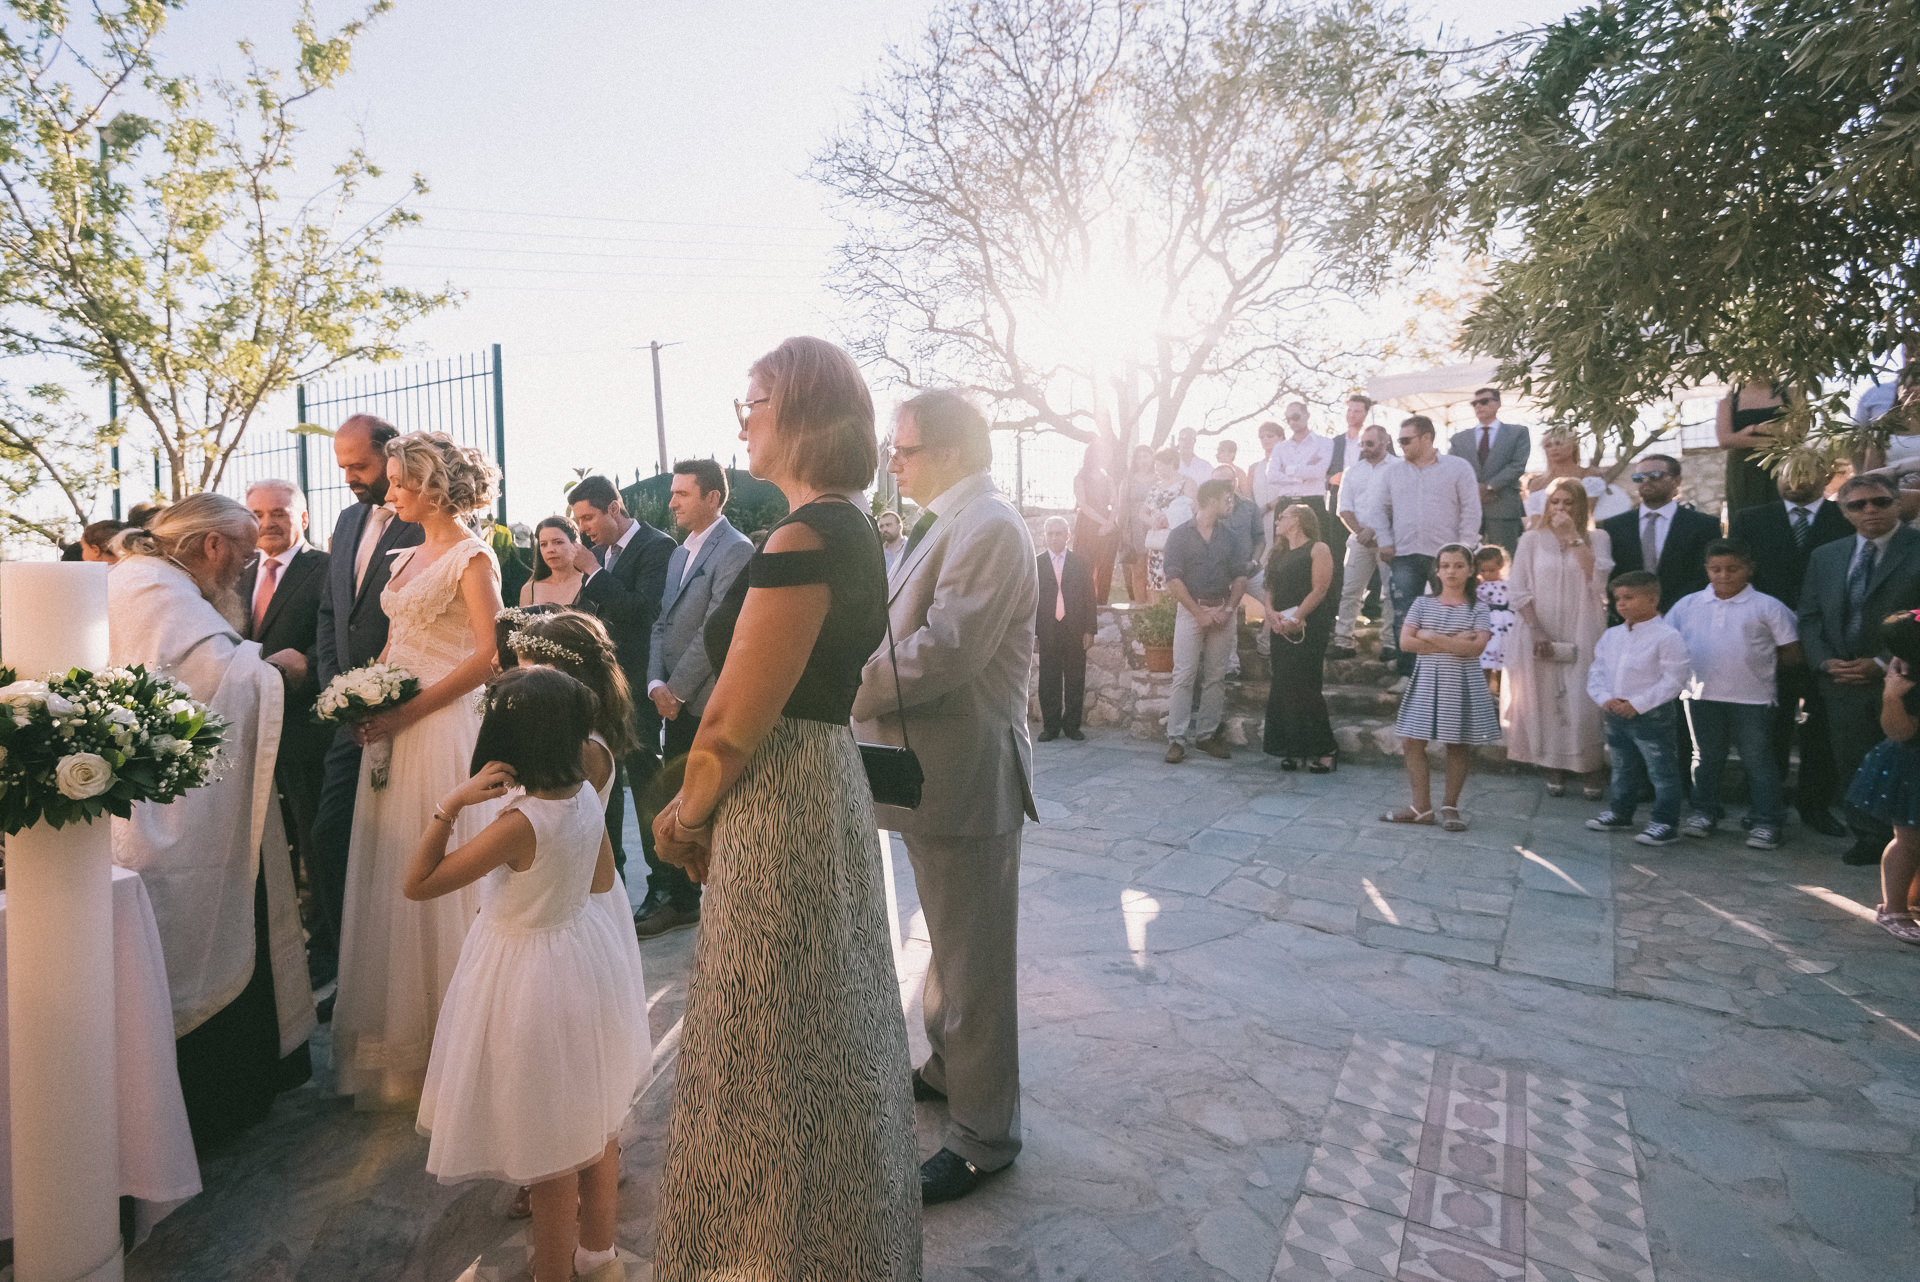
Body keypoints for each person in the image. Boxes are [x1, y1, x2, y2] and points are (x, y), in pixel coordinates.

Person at [647, 337, 917, 1275]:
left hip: (782, 795)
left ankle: (771, 1251)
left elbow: (731, 720)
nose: (741, 423)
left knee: (769, 1035)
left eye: (752, 402)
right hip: (820, 778)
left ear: (799, 411)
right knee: (822, 1027)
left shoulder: (806, 538)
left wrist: (684, 818)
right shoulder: (849, 528)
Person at [851, 384, 1036, 1212]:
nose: (893, 461)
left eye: (906, 448)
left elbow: (946, 649)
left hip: (969, 775)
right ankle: (947, 1069)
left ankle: (983, 1138)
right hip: (935, 774)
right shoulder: (947, 519)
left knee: (975, 963)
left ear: (953, 451)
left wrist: (847, 685)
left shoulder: (988, 524)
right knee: (949, 943)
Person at [407, 668, 649, 1282]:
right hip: (582, 963)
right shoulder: (585, 796)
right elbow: (601, 881)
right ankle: (598, 1256)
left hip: (527, 982)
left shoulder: (519, 825)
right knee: (595, 1126)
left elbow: (418, 884)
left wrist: (450, 805)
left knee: (549, 1157)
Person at [108, 495, 316, 1148]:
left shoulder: (145, 581)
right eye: (243, 553)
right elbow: (210, 687)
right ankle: (218, 1100)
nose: (246, 567)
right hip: (176, 811)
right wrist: (279, 671)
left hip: (172, 801)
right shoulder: (158, 593)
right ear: (212, 545)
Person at [332, 431, 506, 1106]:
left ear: (433, 488)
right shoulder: (404, 556)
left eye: (402, 483)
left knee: (441, 868)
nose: (392, 493)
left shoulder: (473, 557)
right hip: (394, 731)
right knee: (391, 867)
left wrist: (406, 712)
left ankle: (459, 1048)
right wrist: (364, 698)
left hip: (439, 730)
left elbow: (490, 655)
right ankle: (403, 1056)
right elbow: (396, 641)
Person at [309, 413, 424, 992]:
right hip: (349, 715)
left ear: (392, 453)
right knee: (329, 838)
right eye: (343, 467)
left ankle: (398, 976)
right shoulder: (347, 519)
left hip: (408, 709)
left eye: (360, 465)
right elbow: (332, 611)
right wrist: (339, 690)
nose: (350, 477)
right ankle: (347, 967)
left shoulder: (427, 519)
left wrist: (386, 693)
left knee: (400, 844)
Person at [639, 458, 755, 937]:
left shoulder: (737, 549)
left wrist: (679, 691)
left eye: (682, 493)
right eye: (673, 493)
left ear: (713, 497)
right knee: (677, 798)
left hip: (705, 701)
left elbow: (717, 628)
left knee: (708, 805)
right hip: (672, 699)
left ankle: (717, 901)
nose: (672, 502)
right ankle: (682, 899)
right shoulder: (679, 552)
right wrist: (655, 683)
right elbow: (661, 621)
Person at [1798, 473, 1920, 865]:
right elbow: (1809, 616)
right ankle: (1868, 837)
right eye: (1858, 504)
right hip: (1841, 679)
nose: (1870, 510)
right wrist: (1824, 661)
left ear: (1897, 503)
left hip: (1905, 677)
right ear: (1845, 512)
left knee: (1906, 763)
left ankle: (1907, 842)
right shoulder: (1826, 555)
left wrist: (1884, 662)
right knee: (1851, 759)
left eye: (1880, 501)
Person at [1729, 457, 1853, 835]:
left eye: (1806, 473)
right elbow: (1740, 576)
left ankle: (1815, 805)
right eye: (1787, 473)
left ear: (1826, 477)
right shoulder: (1750, 519)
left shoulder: (1845, 516)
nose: (1796, 481)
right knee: (1770, 724)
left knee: (1820, 725)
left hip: (1830, 638)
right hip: (1767, 640)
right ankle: (1765, 802)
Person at [567, 474, 676, 896]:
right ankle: (611, 887)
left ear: (614, 508)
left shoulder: (658, 547)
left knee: (648, 788)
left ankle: (666, 889)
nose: (583, 528)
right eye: (578, 520)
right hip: (602, 689)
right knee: (605, 787)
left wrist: (594, 573)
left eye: (588, 518)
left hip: (640, 688)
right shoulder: (598, 553)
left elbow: (643, 610)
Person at [241, 479, 332, 955]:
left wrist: (309, 666)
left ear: (303, 517)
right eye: (257, 513)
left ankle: (322, 941)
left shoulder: (327, 569)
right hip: (248, 730)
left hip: (305, 730)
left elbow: (339, 639)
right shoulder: (238, 572)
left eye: (279, 512)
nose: (268, 522)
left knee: (313, 838)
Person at [1666, 540, 1800, 849]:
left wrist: (1756, 668)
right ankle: (1704, 812)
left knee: (1758, 760)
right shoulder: (1688, 605)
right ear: (1706, 570)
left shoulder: (1767, 606)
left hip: (1753, 698)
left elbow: (1791, 651)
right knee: (1705, 757)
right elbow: (1667, 641)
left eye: (1733, 569)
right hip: (1700, 695)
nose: (1724, 575)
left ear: (1749, 569)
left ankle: (1767, 820)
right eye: (1716, 569)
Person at [1503, 478, 1613, 798]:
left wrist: (1574, 538)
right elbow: (1518, 589)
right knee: (1542, 696)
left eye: (1568, 502)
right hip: (1537, 625)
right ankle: (1551, 763)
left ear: (1580, 506)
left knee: (1582, 697)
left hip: (1583, 624)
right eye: (1555, 502)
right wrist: (1537, 629)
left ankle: (1589, 765)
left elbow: (1598, 582)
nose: (1561, 508)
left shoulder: (1598, 537)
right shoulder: (1531, 540)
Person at [1383, 545, 1496, 830]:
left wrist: (1430, 635)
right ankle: (1421, 808)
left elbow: (1475, 649)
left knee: (1457, 743)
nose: (1451, 572)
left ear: (1470, 570)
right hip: (1427, 680)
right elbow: (1406, 643)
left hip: (1461, 682)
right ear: (1437, 571)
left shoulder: (1479, 608)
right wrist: (1454, 641)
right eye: (1445, 566)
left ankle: (1450, 807)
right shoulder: (1422, 604)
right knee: (1412, 741)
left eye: (1458, 566)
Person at [1586, 571, 1692, 846]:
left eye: (1629, 597)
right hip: (1615, 711)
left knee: (1661, 770)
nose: (1621, 604)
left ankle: (1665, 822)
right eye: (1618, 598)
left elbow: (1674, 679)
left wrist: (1638, 704)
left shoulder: (1667, 637)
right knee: (1622, 767)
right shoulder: (1612, 635)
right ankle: (1621, 812)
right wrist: (1605, 698)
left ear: (1653, 599)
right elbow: (1597, 671)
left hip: (1651, 714)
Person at [1378, 415, 1482, 679]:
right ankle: (1408, 675)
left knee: (1451, 613)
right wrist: (1385, 541)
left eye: (1406, 440)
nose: (1400, 446)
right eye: (1399, 440)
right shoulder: (1393, 472)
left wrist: (1464, 548)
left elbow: (1471, 509)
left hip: (1447, 558)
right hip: (1404, 554)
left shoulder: (1458, 467)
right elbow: (1378, 508)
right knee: (1405, 615)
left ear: (1426, 438)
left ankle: (1449, 672)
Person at [1842, 611, 1920, 945]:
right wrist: (1892, 695)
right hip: (1911, 766)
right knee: (1909, 839)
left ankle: (1913, 899)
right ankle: (1894, 909)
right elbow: (1899, 731)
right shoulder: (1907, 680)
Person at [1162, 479, 1250, 763]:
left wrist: (1228, 610)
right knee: (1184, 675)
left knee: (1216, 677)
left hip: (1223, 610)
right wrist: (1197, 613)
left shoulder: (1231, 536)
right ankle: (1176, 739)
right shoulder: (1179, 535)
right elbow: (1173, 580)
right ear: (1211, 500)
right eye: (1227, 498)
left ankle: (1206, 736)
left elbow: (1240, 577)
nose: (1231, 503)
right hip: (1191, 612)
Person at [1263, 503, 1340, 771]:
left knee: (1306, 685)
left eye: (1282, 517)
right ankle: (1293, 747)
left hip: (1310, 624)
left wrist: (1298, 617)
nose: (1277, 522)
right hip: (1281, 623)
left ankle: (1325, 748)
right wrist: (1271, 613)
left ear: (1297, 520)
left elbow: (1320, 588)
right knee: (1283, 683)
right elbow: (1269, 588)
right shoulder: (1278, 552)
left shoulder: (1318, 549)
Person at [1599, 454, 1720, 612]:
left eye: (1654, 476)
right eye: (1639, 477)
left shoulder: (1703, 525)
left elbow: (1704, 575)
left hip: (1685, 613)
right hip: (1628, 616)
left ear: (1676, 481)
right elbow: (1611, 575)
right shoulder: (1614, 526)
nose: (1646, 481)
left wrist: (1673, 611)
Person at [1331, 423, 1399, 661]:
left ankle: (1390, 644)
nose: (1365, 448)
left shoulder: (1399, 468)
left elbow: (1401, 503)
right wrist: (1361, 533)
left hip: (1390, 539)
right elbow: (1344, 509)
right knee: (1350, 591)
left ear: (1385, 441)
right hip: (1359, 540)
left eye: (1370, 443)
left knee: (1390, 593)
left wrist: (1375, 530)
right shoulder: (1352, 472)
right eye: (1362, 444)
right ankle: (1343, 641)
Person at [1035, 515, 1098, 742]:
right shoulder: (1036, 564)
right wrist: (1033, 633)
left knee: (1075, 677)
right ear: (1045, 536)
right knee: (1048, 679)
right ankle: (1050, 726)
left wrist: (1090, 630)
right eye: (1050, 533)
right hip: (1048, 630)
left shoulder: (1080, 562)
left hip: (1074, 629)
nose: (1054, 538)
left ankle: (1072, 725)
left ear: (1067, 535)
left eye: (1059, 533)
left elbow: (1090, 597)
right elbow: (1031, 600)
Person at [1450, 387, 1530, 552]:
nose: (1479, 406)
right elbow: (1453, 468)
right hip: (1467, 509)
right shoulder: (1459, 439)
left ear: (1498, 403)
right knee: (1466, 555)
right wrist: (1473, 490)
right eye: (1474, 403)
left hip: (1503, 506)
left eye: (1484, 401)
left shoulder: (1517, 433)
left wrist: (1489, 487)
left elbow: (1517, 465)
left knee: (1504, 557)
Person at [1521, 426, 1630, 526]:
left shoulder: (1589, 475)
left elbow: (1587, 513)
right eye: (1548, 445)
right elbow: (1534, 519)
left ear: (1572, 446)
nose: (1553, 448)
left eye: (1559, 443)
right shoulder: (1537, 483)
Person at [1715, 378, 1789, 517]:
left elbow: (1797, 434)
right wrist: (1757, 430)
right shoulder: (1729, 400)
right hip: (1745, 471)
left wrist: (1746, 433)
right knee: (1747, 515)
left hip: (1783, 467)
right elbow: (1725, 440)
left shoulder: (1789, 393)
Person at [1264, 401, 1334, 531]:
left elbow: (1319, 471)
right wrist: (1300, 477)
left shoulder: (1325, 443)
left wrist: (1288, 469)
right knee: (1282, 544)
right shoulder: (1280, 447)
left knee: (1318, 543)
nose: (1292, 422)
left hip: (1313, 503)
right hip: (1285, 503)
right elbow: (1271, 476)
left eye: (1295, 417)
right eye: (1288, 419)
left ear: (1307, 415)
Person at [1140, 447, 1194, 598]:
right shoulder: (1155, 487)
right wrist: (1153, 522)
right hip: (1158, 542)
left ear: (1171, 463)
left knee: (1176, 580)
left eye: (1159, 465)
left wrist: (1168, 519)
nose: (1156, 469)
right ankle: (1157, 610)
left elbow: (1191, 509)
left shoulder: (1187, 483)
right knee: (1156, 582)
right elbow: (1142, 512)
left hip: (1178, 539)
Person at [1072, 440, 1120, 603]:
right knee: (1085, 566)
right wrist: (1103, 522)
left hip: (1107, 527)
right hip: (1087, 526)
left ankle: (1101, 604)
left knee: (1105, 566)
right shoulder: (1080, 478)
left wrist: (1110, 523)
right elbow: (1083, 505)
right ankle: (1085, 605)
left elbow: (1115, 503)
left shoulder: (1108, 479)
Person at [520, 516, 587, 606]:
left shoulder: (589, 584)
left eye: (558, 542)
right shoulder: (529, 590)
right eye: (544, 544)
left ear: (575, 544)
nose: (550, 550)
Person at [1119, 443, 1157, 602]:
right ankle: (1140, 606)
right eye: (1139, 457)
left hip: (1154, 525)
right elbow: (1122, 506)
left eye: (1146, 456)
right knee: (1138, 569)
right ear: (1135, 460)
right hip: (1135, 527)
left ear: (1152, 458)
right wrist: (1123, 530)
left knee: (1155, 569)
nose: (1143, 460)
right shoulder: (1128, 481)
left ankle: (1154, 606)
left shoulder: (1159, 479)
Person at [1474, 546, 1512, 695]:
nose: (1487, 574)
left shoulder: (1508, 584)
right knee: (1485, 660)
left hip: (1505, 626)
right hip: (1487, 625)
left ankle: (1503, 692)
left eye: (1492, 570)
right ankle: (1483, 692)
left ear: (1500, 566)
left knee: (1504, 660)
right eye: (1483, 571)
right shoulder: (1478, 587)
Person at [877, 508, 908, 575]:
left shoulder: (911, 548)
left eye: (888, 525)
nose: (884, 529)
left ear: (900, 527)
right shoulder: (879, 553)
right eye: (881, 526)